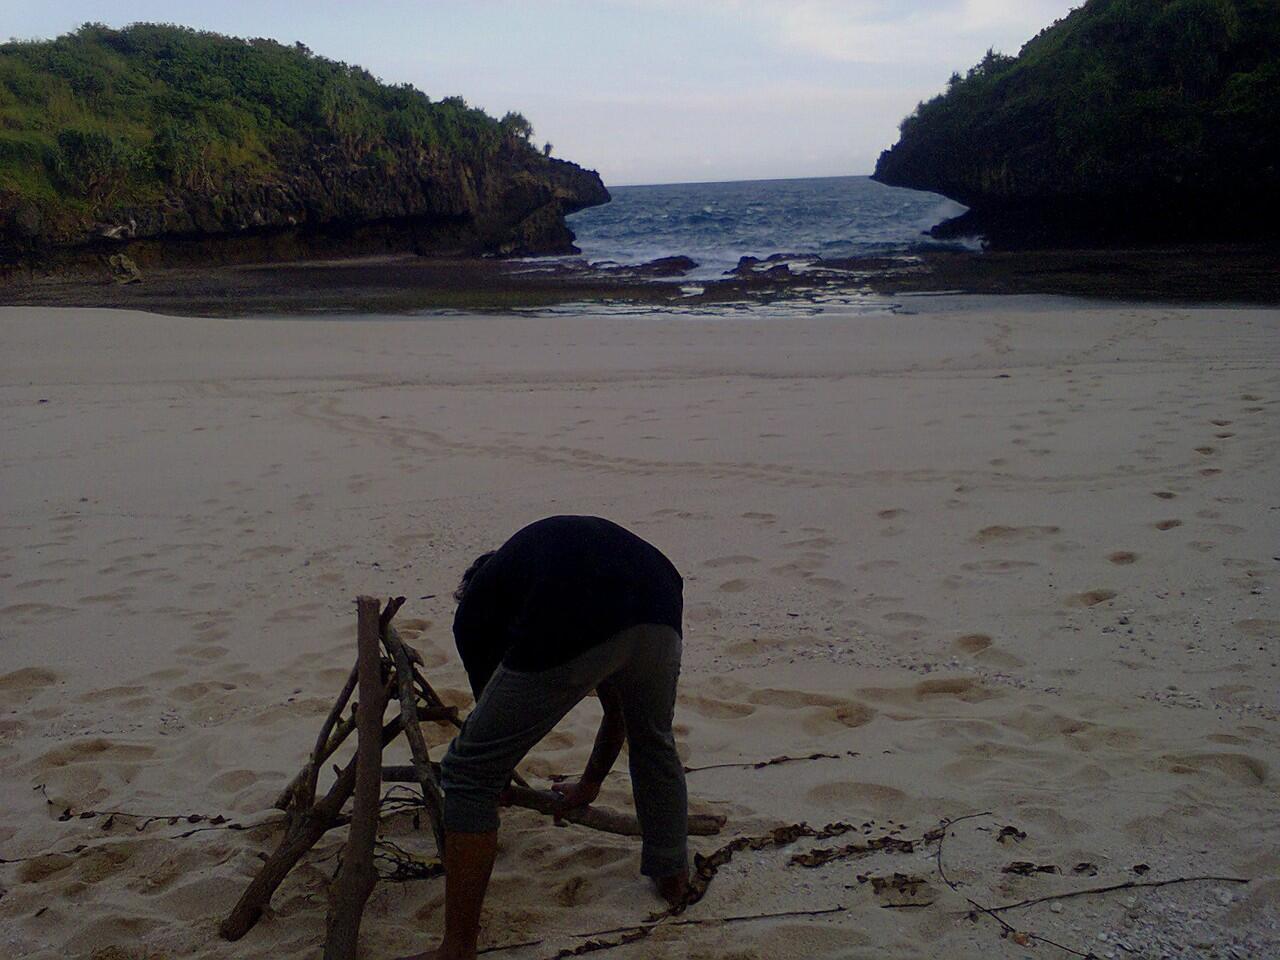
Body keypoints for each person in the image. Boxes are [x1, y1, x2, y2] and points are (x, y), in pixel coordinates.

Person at [399, 515, 689, 960]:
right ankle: (672, 875)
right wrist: (588, 785)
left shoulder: (478, 605)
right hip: (659, 598)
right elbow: (618, 714)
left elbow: (487, 731)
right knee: (654, 739)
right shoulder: (543, 559)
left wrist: (489, 782)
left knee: (467, 771)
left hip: (582, 607)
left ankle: (457, 947)